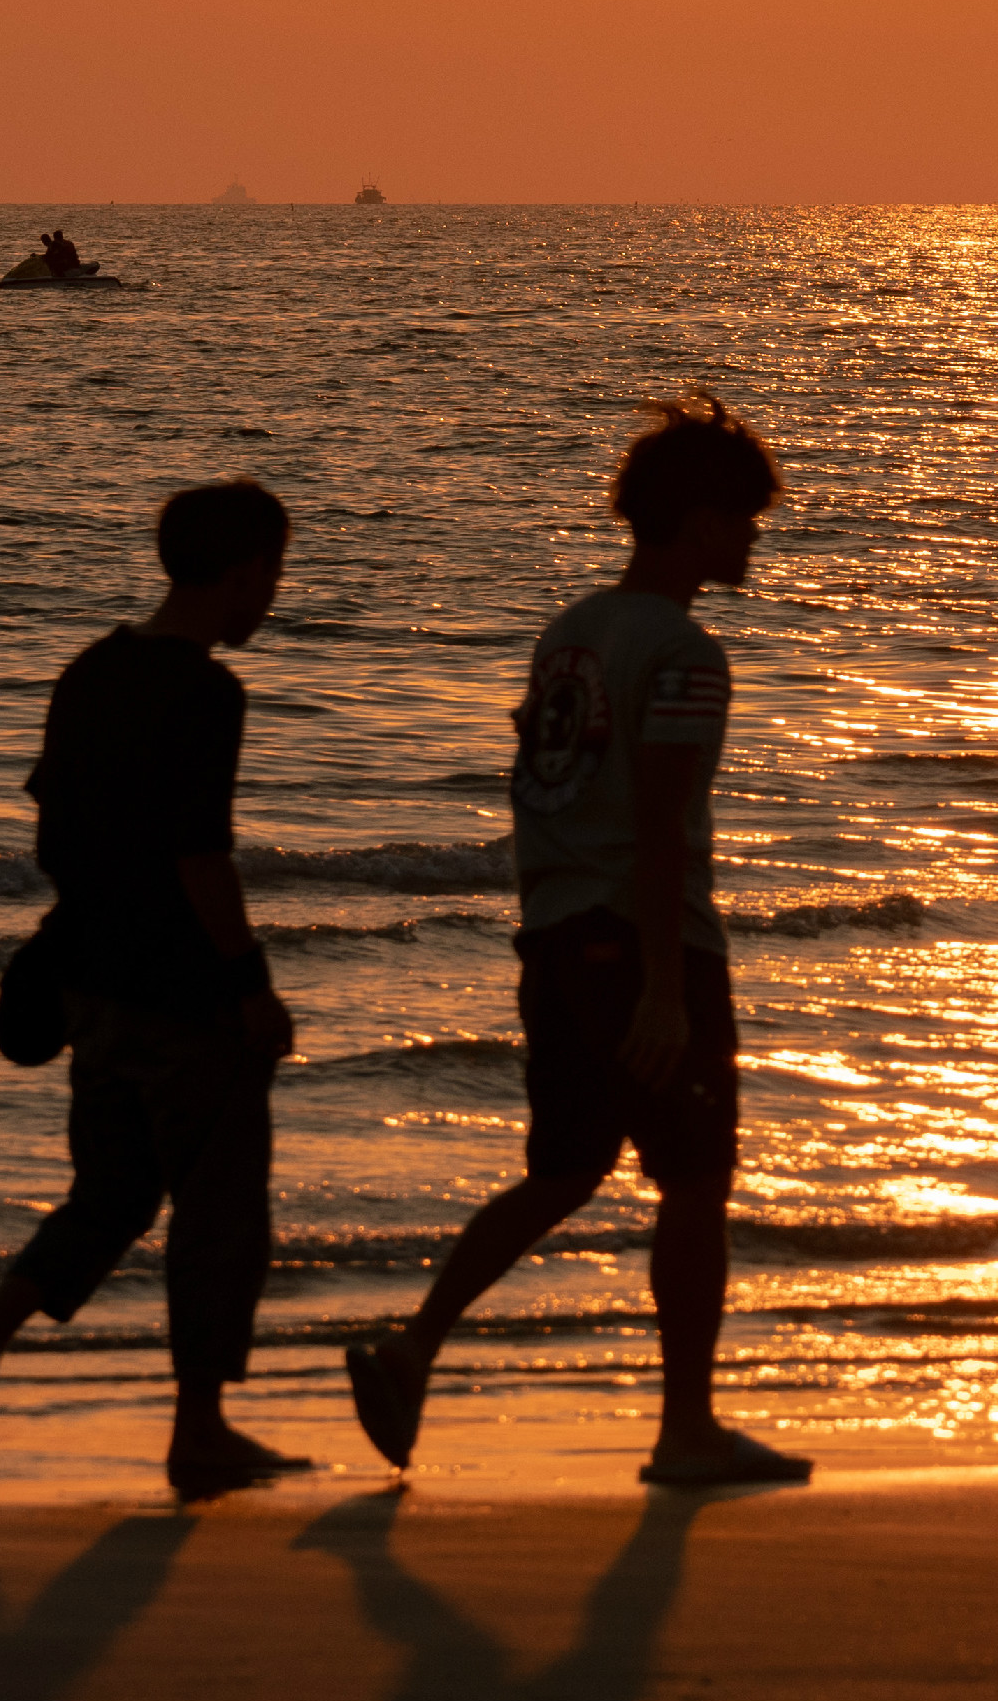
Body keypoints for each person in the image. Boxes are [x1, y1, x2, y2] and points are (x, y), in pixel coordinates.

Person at [345, 392, 810, 1489]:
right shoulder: (687, 653)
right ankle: (685, 1429)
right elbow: (655, 826)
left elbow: (541, 792)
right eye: (744, 520)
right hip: (644, 941)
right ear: (699, 522)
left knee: (562, 1170)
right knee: (695, 1181)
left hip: (552, 936)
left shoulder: (570, 636)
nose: (752, 540)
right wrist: (662, 987)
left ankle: (413, 1345)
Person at [0, 475, 305, 1497]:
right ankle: (200, 1429)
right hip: (183, 992)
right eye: (271, 573)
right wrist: (251, 985)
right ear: (238, 574)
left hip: (90, 982)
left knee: (111, 1195)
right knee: (218, 1212)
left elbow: (55, 830)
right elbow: (200, 859)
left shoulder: (92, 669)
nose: (273, 594)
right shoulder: (206, 691)